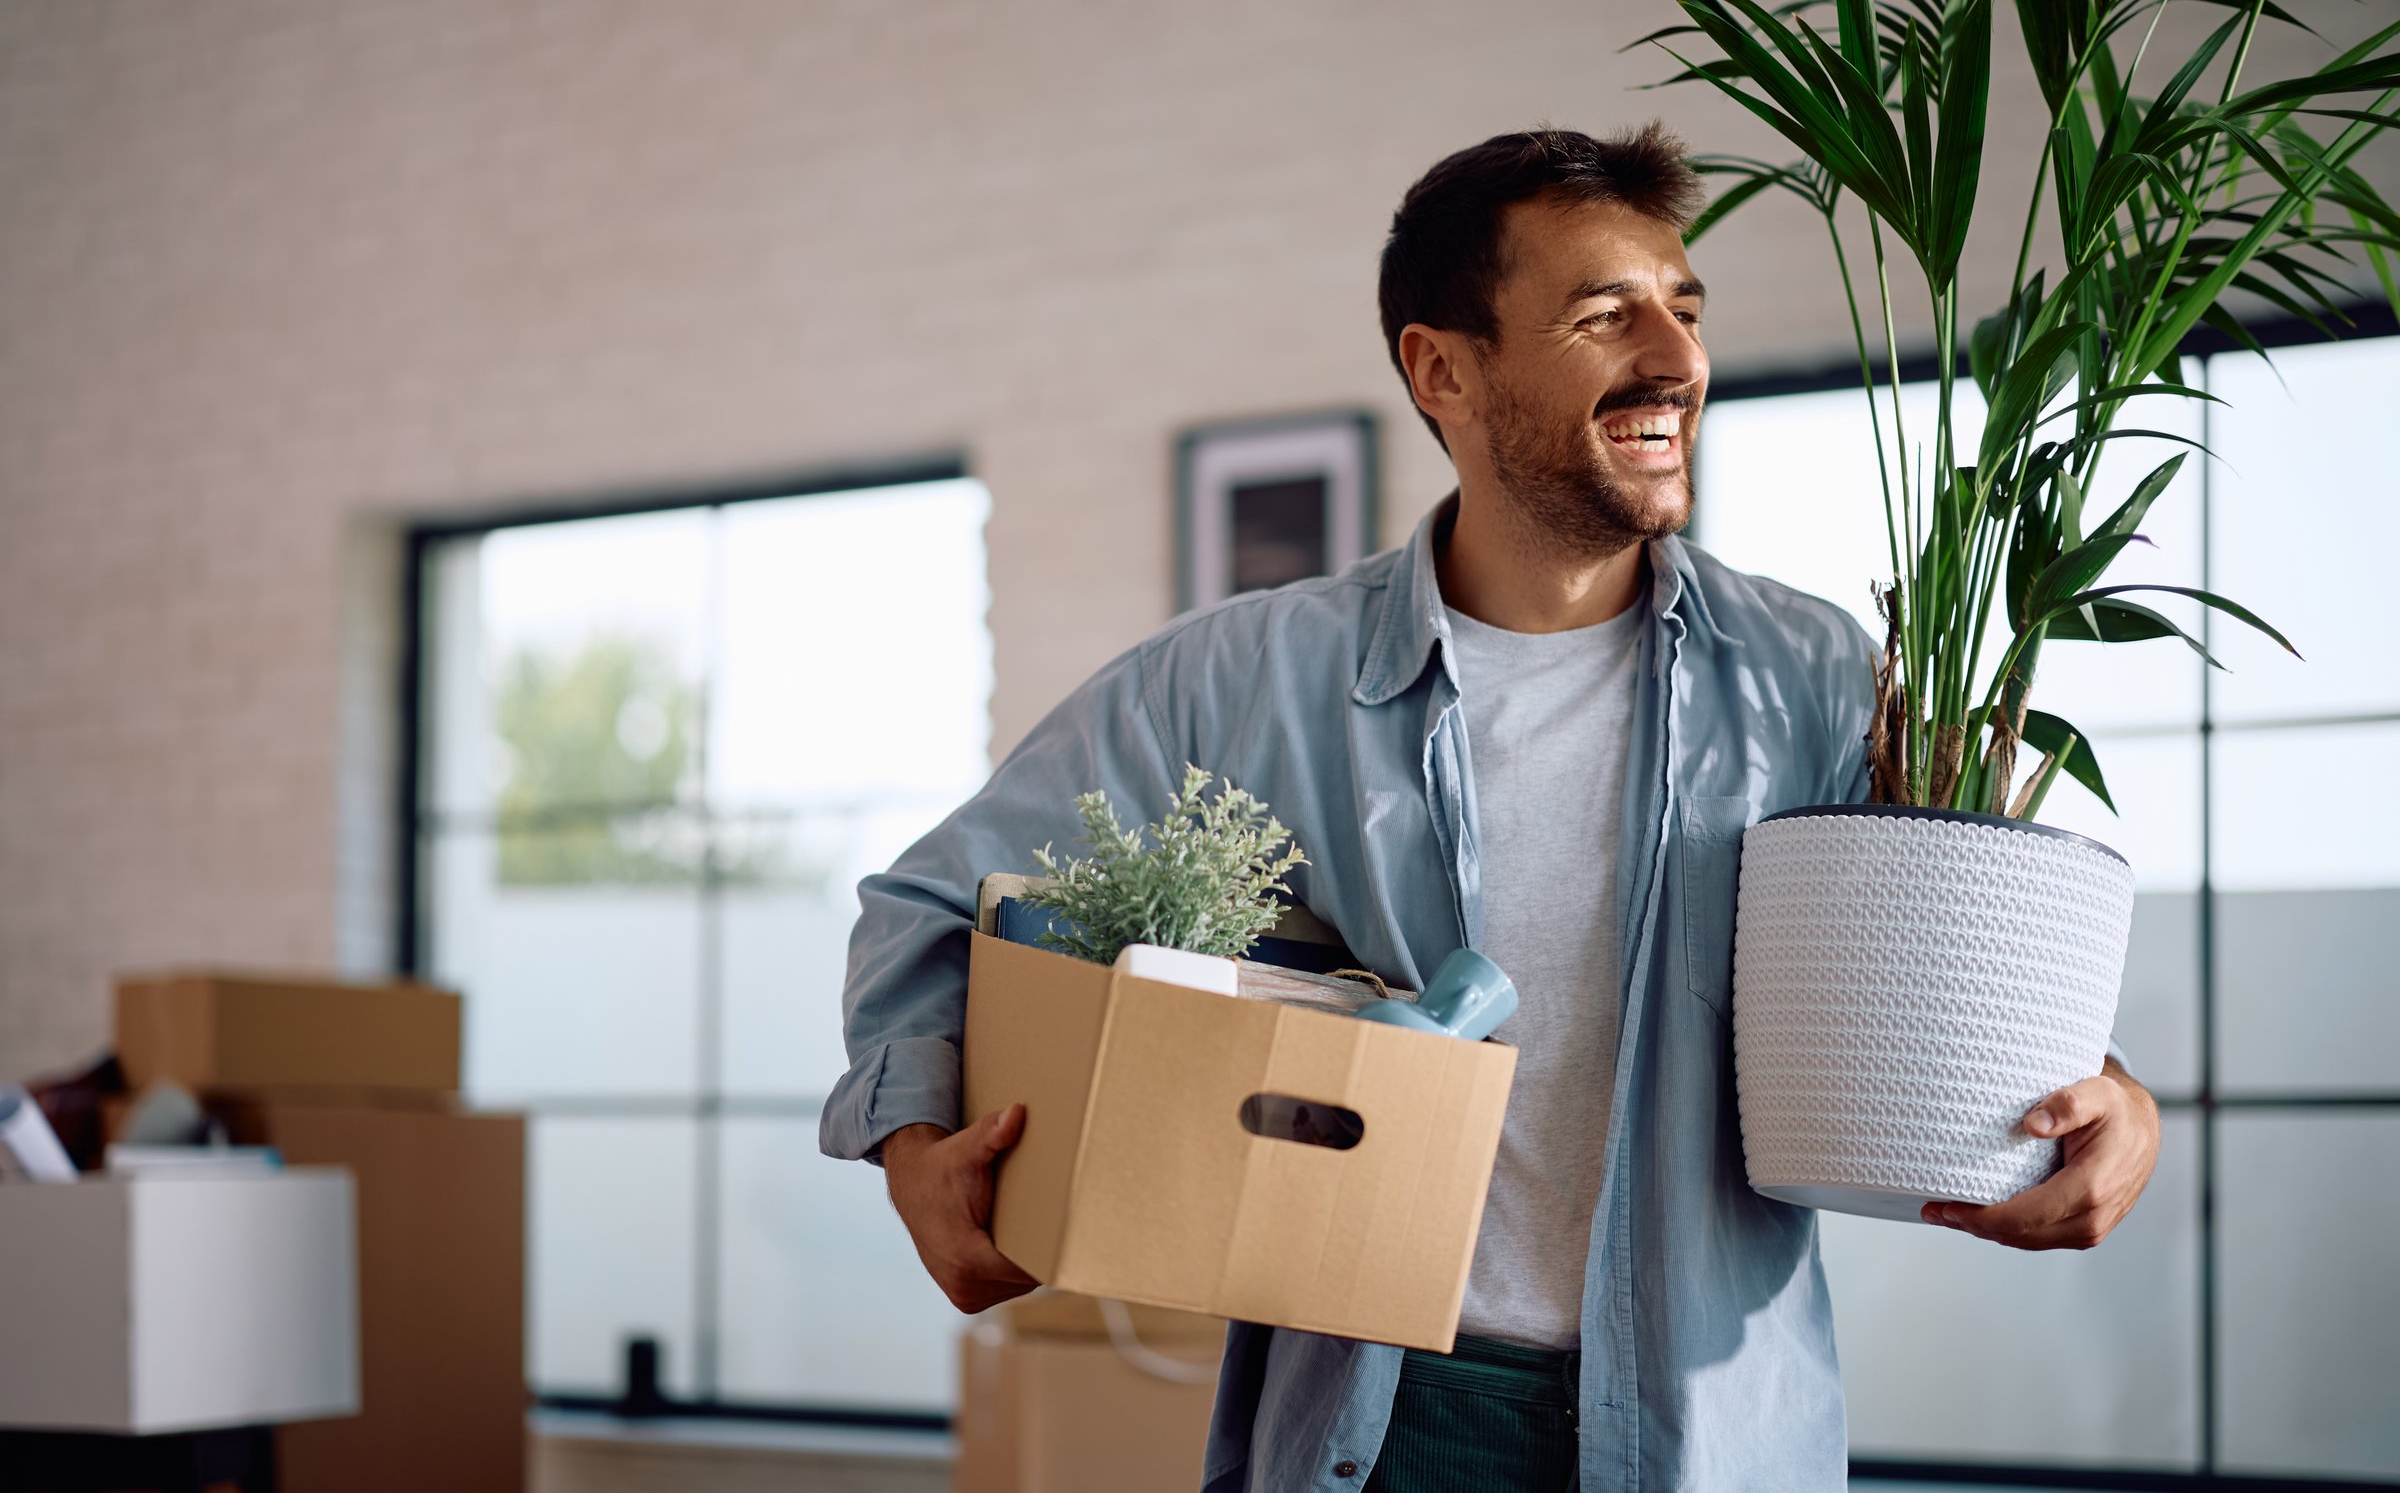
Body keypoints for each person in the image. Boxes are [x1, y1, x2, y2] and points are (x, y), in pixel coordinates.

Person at [819, 125, 2162, 1492]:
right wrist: (919, 1145)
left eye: (1683, 309)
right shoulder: (1238, 681)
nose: (1676, 360)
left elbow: (1951, 994)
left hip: (1714, 1433)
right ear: (1442, 368)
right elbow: (926, 911)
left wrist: (2113, 1109)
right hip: (1381, 1431)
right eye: (1604, 314)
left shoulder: (1818, 677)